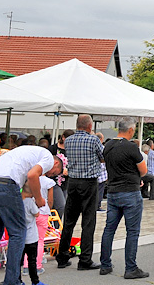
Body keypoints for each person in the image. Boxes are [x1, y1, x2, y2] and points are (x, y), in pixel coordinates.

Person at [0, 143, 62, 285]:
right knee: (18, 233)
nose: (49, 174)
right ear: (55, 163)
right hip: (6, 184)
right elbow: (32, 175)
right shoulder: (48, 157)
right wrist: (38, 199)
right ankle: (12, 281)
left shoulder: (28, 151)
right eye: (53, 172)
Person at [99, 119, 150, 279]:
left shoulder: (107, 146)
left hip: (113, 192)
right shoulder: (131, 147)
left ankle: (105, 265)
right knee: (132, 231)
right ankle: (131, 268)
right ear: (131, 130)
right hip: (130, 192)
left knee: (109, 229)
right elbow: (143, 170)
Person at [56, 114, 104, 271]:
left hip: (73, 182)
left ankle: (62, 256)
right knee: (88, 221)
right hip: (89, 182)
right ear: (90, 126)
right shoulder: (93, 139)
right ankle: (85, 259)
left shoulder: (68, 140)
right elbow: (103, 157)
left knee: (69, 220)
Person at [20, 183, 43, 285]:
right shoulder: (30, 202)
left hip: (20, 237)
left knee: (18, 261)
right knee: (32, 261)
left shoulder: (18, 201)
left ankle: (18, 280)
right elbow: (37, 213)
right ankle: (35, 281)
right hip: (32, 237)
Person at [96, 132, 108, 211]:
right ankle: (98, 206)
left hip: (94, 174)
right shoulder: (102, 148)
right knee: (100, 191)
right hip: (102, 174)